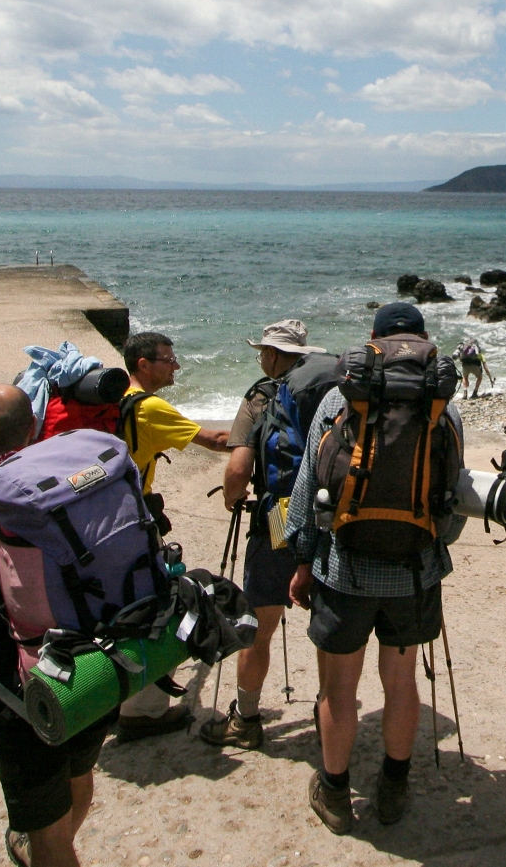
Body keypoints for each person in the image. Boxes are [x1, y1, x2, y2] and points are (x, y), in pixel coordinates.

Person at [285, 302, 464, 834]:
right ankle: (393, 785)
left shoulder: (342, 398)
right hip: (414, 570)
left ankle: (336, 794)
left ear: (374, 341)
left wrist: (302, 559)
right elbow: (451, 499)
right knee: (401, 682)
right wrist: (435, 546)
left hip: (345, 569)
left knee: (339, 689)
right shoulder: (442, 404)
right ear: (423, 340)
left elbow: (306, 491)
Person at [0, 385, 112, 867]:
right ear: (33, 428)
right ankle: (51, 846)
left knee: (46, 838)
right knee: (77, 777)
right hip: (97, 669)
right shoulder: (76, 492)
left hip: (30, 690)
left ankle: (46, 850)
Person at [200, 319, 336, 750]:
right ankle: (329, 710)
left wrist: (231, 498)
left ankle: (247, 718)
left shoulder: (262, 396)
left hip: (278, 518)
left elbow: (238, 470)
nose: (260, 357)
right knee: (327, 625)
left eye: (263, 351)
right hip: (328, 517)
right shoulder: (335, 392)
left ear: (275, 356)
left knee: (259, 625)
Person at [115, 330, 231, 740]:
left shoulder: (116, 400)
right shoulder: (148, 408)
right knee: (153, 607)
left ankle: (112, 693)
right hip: (132, 521)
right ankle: (142, 712)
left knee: (118, 603)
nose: (176, 365)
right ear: (143, 365)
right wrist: (263, 436)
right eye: (167, 359)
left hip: (106, 520)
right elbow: (215, 441)